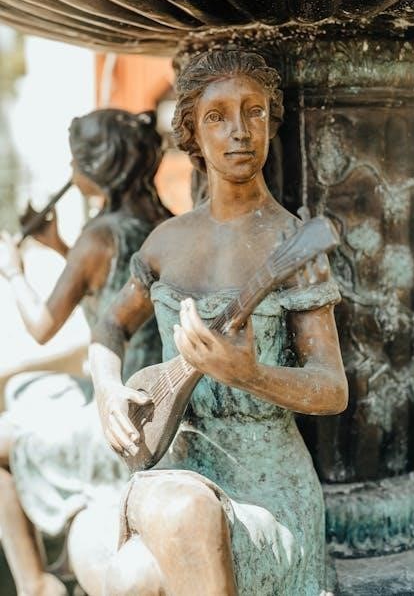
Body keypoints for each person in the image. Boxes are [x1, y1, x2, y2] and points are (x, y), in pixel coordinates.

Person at [90, 50, 348, 596]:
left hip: (268, 482)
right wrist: (107, 389)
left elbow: (332, 389)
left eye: (254, 112)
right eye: (217, 116)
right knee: (136, 570)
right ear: (191, 133)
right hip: (178, 460)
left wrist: (249, 374)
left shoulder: (293, 245)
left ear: (270, 124)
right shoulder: (166, 242)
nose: (240, 131)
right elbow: (110, 326)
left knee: (142, 571)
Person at [0, 108, 169, 596]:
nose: (71, 169)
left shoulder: (100, 235)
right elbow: (110, 292)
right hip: (158, 401)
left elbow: (41, 327)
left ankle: (35, 583)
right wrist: (59, 246)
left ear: (99, 165)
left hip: (121, 418)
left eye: (76, 159)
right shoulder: (162, 222)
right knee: (24, 388)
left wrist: (13, 270)